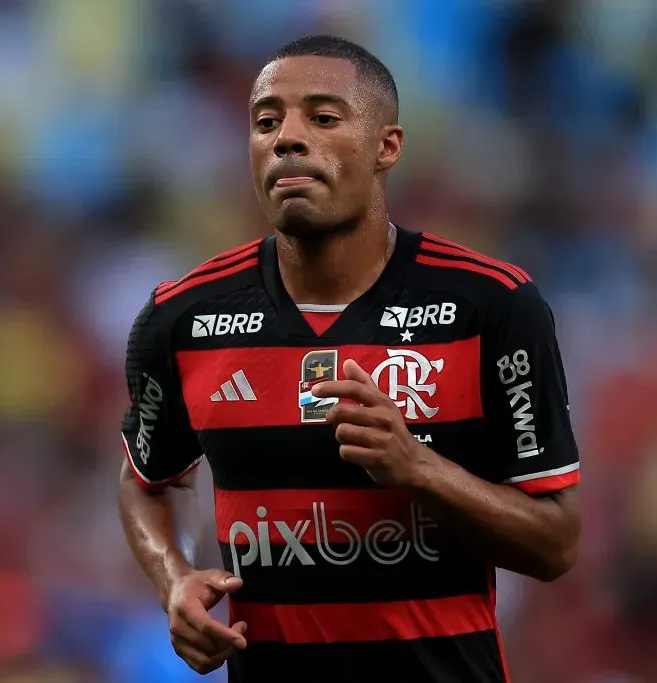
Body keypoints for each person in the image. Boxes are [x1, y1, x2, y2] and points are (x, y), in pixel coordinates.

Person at [117, 34, 581, 682]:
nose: (287, 139)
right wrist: (175, 578)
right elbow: (148, 481)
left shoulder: (490, 306)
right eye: (266, 122)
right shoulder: (182, 319)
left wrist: (417, 467)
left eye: (324, 117)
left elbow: (556, 542)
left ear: (386, 146)